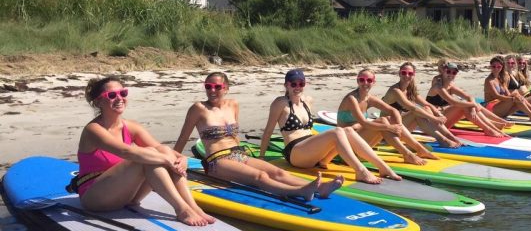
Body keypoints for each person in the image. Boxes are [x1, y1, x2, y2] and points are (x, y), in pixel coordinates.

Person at [174, 72, 335, 201]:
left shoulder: (233, 104)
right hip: (216, 161)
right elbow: (183, 138)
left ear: (226, 88)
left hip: (238, 154)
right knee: (259, 176)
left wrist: (249, 159)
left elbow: (235, 137)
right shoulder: (198, 108)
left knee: (278, 173)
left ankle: (321, 188)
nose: (212, 90)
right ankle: (300, 191)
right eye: (208, 86)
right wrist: (174, 162)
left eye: (217, 86)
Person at [75, 76, 213, 226]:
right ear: (98, 102)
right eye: (112, 95)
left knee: (161, 151)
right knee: (147, 157)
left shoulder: (130, 126)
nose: (119, 98)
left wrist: (181, 158)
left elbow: (161, 148)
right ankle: (182, 209)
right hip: (95, 197)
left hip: (128, 196)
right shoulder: (93, 130)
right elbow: (126, 152)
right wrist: (166, 160)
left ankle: (192, 206)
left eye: (123, 93)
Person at [262, 69, 395, 185]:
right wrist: (261, 158)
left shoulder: (308, 101)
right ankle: (360, 171)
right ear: (286, 85)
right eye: (293, 84)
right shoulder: (280, 103)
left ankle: (383, 167)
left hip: (313, 151)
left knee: (347, 130)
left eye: (301, 83)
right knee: (337, 131)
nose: (297, 87)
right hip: (296, 153)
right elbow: (268, 131)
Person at [336, 68, 434, 170]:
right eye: (362, 80)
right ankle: (407, 154)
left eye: (369, 80)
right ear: (357, 81)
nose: (365, 83)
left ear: (373, 82)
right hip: (347, 150)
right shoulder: (352, 99)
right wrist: (389, 127)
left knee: (387, 119)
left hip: (362, 146)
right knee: (383, 121)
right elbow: (364, 123)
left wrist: (398, 126)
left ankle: (420, 149)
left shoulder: (369, 98)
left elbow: (393, 111)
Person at [382, 62, 462, 148]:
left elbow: (426, 103)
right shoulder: (395, 91)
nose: (407, 75)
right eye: (404, 73)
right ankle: (442, 139)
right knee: (416, 113)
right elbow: (413, 108)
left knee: (426, 108)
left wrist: (437, 113)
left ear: (413, 75)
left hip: (402, 127)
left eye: (410, 73)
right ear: (399, 74)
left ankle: (450, 137)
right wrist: (434, 118)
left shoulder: (410, 90)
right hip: (388, 132)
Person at [426, 62, 508, 137]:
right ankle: (489, 129)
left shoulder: (451, 86)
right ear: (443, 71)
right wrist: (473, 104)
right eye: (448, 71)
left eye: (454, 72)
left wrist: (472, 106)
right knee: (465, 105)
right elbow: (453, 102)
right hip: (433, 124)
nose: (451, 74)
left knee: (471, 105)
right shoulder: (438, 87)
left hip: (444, 120)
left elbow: (469, 97)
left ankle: (493, 127)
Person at [483, 56, 531, 123]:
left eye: (499, 67)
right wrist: (513, 99)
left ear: (502, 67)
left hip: (501, 108)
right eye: (493, 66)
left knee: (517, 97)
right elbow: (497, 96)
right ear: (490, 67)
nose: (496, 69)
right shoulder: (489, 81)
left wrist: (517, 98)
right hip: (491, 109)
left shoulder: (501, 79)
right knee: (516, 96)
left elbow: (507, 94)